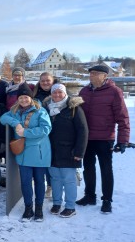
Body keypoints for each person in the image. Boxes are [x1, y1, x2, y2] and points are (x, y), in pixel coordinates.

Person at [76, 65, 130, 214]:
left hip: (105, 138)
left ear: (104, 76)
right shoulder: (84, 91)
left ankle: (107, 200)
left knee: (106, 170)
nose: (91, 76)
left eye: (95, 73)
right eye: (90, 73)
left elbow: (123, 117)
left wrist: (123, 140)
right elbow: (77, 114)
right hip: (87, 138)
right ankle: (89, 195)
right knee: (88, 168)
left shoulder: (114, 92)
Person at [0, 83, 52, 222]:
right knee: (25, 182)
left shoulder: (40, 111)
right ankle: (28, 208)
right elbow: (3, 118)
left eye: (26, 97)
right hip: (23, 153)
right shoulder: (15, 111)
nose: (23, 100)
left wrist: (26, 132)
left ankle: (39, 209)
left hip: (39, 152)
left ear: (31, 98)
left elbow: (46, 129)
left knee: (40, 182)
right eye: (21, 97)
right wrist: (15, 123)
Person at [43, 84, 88, 218]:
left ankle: (70, 206)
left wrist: (79, 152)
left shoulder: (74, 108)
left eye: (60, 92)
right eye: (54, 92)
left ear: (65, 93)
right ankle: (57, 203)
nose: (57, 95)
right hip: (51, 150)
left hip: (69, 151)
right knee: (55, 178)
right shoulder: (46, 109)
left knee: (69, 179)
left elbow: (83, 131)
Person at [32, 72, 56, 198]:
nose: (45, 83)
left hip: (56, 131)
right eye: (43, 81)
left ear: (53, 81)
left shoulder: (59, 92)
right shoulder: (35, 95)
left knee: (53, 161)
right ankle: (46, 185)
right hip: (41, 132)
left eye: (48, 80)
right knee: (43, 159)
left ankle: (53, 186)